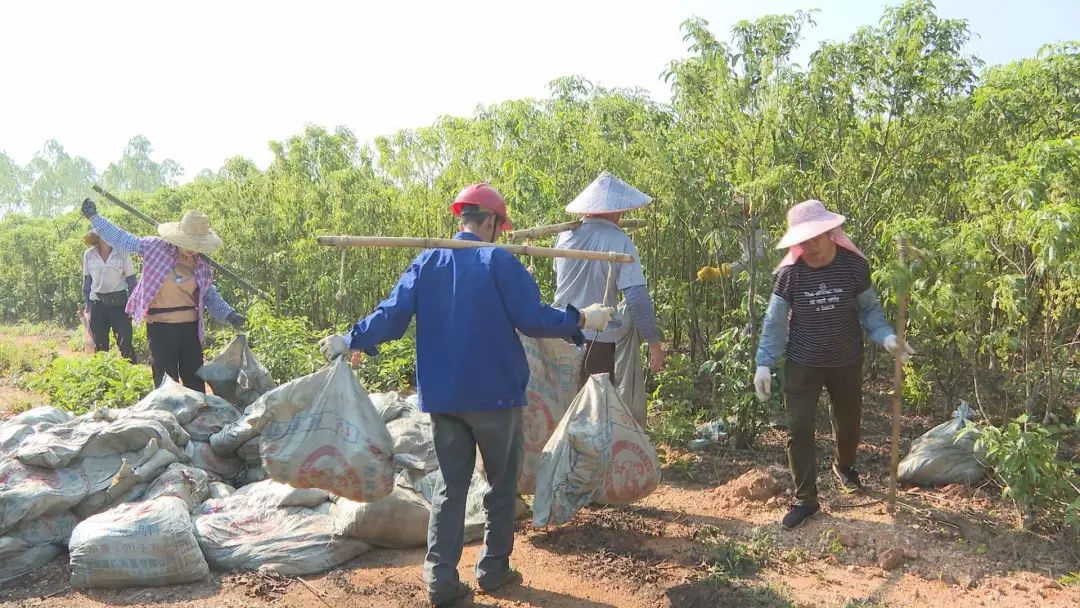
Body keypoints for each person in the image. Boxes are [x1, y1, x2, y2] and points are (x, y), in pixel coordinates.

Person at [318, 183, 613, 608]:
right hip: (495, 396)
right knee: (501, 484)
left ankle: (441, 581)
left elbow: (391, 315)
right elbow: (532, 319)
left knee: (451, 487)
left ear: (463, 218)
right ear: (491, 222)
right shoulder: (498, 260)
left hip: (444, 398)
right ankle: (493, 571)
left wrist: (351, 338)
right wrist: (583, 318)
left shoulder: (428, 260)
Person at [754, 199, 914, 531]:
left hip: (846, 359)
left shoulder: (853, 268)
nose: (809, 246)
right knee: (798, 429)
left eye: (815, 237)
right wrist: (764, 364)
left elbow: (869, 310)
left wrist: (885, 336)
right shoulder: (789, 275)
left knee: (849, 422)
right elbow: (775, 322)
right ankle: (806, 499)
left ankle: (845, 467)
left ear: (831, 233)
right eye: (803, 240)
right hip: (802, 361)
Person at [80, 198, 246, 392]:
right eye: (189, 242)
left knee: (194, 382)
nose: (192, 249)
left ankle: (196, 420)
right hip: (160, 328)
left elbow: (209, 294)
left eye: (196, 244)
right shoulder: (155, 248)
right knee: (166, 383)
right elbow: (122, 238)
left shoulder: (201, 264)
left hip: (189, 329)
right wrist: (95, 218)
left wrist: (230, 315)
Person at [553, 171, 666, 386]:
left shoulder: (565, 237)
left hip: (560, 335)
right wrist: (654, 344)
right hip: (596, 341)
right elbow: (637, 298)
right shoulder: (619, 241)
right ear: (615, 211)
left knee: (562, 408)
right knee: (595, 412)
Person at [81, 230, 137, 362]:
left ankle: (132, 378)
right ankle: (103, 376)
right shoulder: (89, 255)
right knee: (100, 345)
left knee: (125, 343)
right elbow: (87, 282)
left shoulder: (122, 252)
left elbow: (132, 281)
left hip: (120, 304)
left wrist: (132, 305)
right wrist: (88, 307)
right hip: (97, 304)